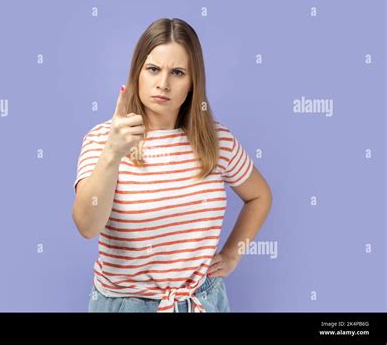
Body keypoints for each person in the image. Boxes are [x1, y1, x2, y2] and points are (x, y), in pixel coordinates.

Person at [72, 18, 272, 313]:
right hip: (126, 305)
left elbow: (260, 196)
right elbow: (87, 226)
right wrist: (113, 154)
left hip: (200, 302)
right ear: (138, 72)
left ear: (193, 82)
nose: (163, 84)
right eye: (153, 69)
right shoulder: (102, 139)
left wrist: (232, 255)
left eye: (177, 72)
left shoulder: (217, 141)